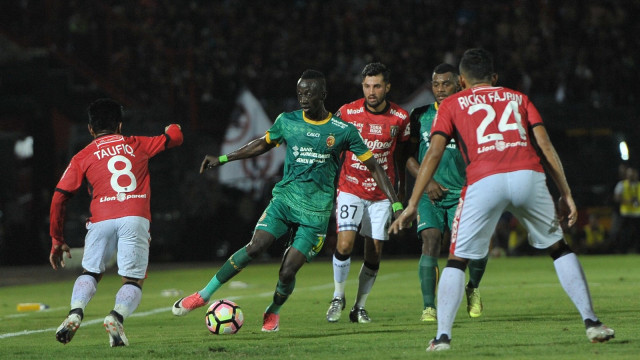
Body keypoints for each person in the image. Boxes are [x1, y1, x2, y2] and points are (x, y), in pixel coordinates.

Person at [389, 48, 614, 351]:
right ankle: (592, 322)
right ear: (494, 77)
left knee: (456, 260)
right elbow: (545, 146)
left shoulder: (453, 104)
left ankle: (442, 337)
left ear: (463, 80)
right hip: (528, 174)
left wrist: (413, 203)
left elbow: (433, 153)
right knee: (559, 248)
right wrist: (566, 194)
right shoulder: (519, 98)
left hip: (484, 178)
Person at [171, 69, 403, 332]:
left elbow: (375, 167)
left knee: (287, 271)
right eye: (300, 93)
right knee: (256, 247)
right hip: (285, 201)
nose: (303, 98)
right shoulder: (288, 121)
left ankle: (274, 309)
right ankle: (204, 294)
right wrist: (224, 159)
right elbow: (262, 144)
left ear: (323, 95)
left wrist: (395, 203)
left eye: (309, 93)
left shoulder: (343, 131)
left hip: (315, 214)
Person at [49, 98, 184, 347]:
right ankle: (116, 317)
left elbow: (59, 197)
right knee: (133, 281)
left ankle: (75, 312)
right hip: (135, 217)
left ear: (90, 129)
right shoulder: (138, 144)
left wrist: (57, 239)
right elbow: (175, 137)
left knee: (91, 272)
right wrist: (172, 126)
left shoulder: (83, 156)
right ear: (120, 125)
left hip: (100, 220)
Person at [325, 63, 410, 324]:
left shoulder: (400, 118)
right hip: (350, 186)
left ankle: (359, 307)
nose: (371, 91)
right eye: (367, 86)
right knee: (345, 243)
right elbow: (333, 150)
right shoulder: (347, 113)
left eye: (377, 86)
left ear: (387, 87)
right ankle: (338, 296)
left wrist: (401, 194)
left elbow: (402, 157)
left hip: (382, 195)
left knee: (374, 252)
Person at [407, 63, 488, 322]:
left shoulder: (473, 115)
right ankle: (429, 306)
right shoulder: (420, 116)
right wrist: (427, 181)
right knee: (430, 240)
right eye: (435, 83)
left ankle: (473, 286)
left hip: (463, 193)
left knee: (472, 248)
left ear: (459, 84)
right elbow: (406, 157)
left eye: (446, 83)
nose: (440, 89)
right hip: (429, 194)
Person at [613, 166, 640, 253]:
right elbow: (616, 198)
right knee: (624, 234)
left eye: (632, 173)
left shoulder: (638, 185)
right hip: (626, 213)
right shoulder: (621, 184)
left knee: (637, 234)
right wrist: (628, 201)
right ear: (627, 175)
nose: (631, 175)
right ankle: (622, 250)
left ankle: (636, 250)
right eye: (629, 173)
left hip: (637, 214)